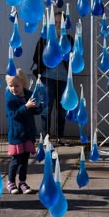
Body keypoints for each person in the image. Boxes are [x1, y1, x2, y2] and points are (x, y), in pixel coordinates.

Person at [32, 11, 73, 143]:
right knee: (46, 108)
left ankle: (60, 136)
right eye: (55, 22)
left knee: (62, 109)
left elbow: (74, 59)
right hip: (47, 77)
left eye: (60, 23)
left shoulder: (69, 40)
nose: (57, 25)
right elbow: (35, 57)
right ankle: (46, 137)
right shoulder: (45, 38)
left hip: (64, 79)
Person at [5, 68, 43, 194]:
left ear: (23, 84)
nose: (13, 88)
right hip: (16, 134)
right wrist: (26, 106)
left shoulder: (28, 94)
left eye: (16, 85)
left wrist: (38, 106)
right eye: (10, 85)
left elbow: (36, 111)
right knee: (16, 160)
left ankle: (22, 181)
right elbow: (14, 115)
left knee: (25, 159)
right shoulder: (10, 99)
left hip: (28, 133)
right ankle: (10, 182)